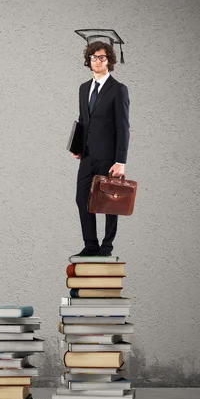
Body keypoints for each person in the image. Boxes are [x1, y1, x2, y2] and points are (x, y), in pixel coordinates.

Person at [71, 40, 130, 257]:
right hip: (87, 155)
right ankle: (91, 245)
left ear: (109, 61)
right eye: (94, 57)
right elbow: (83, 119)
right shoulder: (84, 88)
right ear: (89, 60)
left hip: (109, 157)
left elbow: (123, 127)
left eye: (102, 57)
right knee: (82, 198)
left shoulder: (119, 90)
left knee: (108, 202)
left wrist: (120, 161)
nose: (97, 61)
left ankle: (106, 247)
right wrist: (77, 146)